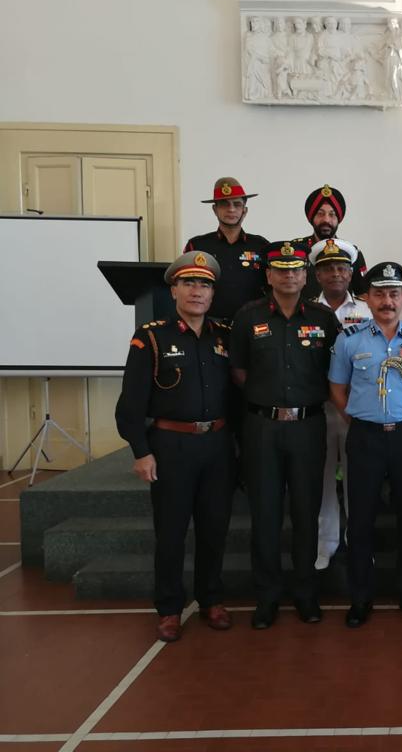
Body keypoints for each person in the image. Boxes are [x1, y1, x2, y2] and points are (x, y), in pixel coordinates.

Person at [115, 251, 234, 642]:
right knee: (171, 533)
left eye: (205, 284)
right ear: (175, 289)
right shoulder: (151, 337)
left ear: (213, 293)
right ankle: (168, 608)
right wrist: (140, 450)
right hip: (170, 446)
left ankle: (211, 599)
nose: (197, 291)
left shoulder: (224, 336)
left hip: (216, 446)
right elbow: (130, 404)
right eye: (189, 283)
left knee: (214, 529)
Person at [230, 241, 339, 629]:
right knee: (266, 514)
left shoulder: (325, 319)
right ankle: (268, 597)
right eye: (281, 269)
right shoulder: (248, 317)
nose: (289, 275)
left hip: (309, 426)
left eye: (296, 270)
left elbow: (335, 374)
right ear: (269, 275)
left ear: (305, 276)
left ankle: (306, 594)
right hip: (262, 427)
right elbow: (239, 373)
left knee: (307, 513)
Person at [329, 262, 402, 628]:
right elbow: (338, 388)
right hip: (364, 439)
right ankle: (361, 598)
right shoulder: (350, 339)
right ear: (368, 298)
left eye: (394, 294)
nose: (387, 301)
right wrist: (359, 418)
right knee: (360, 521)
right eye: (379, 294)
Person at [308, 239, 371, 570]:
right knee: (321, 481)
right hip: (318, 409)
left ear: (351, 273)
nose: (335, 273)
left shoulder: (366, 310)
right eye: (328, 268)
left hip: (356, 410)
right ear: (317, 275)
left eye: (341, 268)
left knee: (358, 478)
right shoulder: (306, 311)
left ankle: (357, 540)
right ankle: (326, 543)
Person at [183, 177, 268, 323]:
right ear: (215, 209)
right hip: (209, 328)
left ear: (245, 210)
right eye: (224, 204)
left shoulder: (261, 246)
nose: (231, 209)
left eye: (237, 204)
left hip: (252, 327)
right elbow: (185, 287)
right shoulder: (197, 246)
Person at [298, 184, 369, 299]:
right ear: (312, 218)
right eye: (320, 214)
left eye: (332, 215)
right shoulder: (297, 251)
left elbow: (364, 295)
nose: (326, 220)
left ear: (338, 219)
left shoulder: (353, 253)